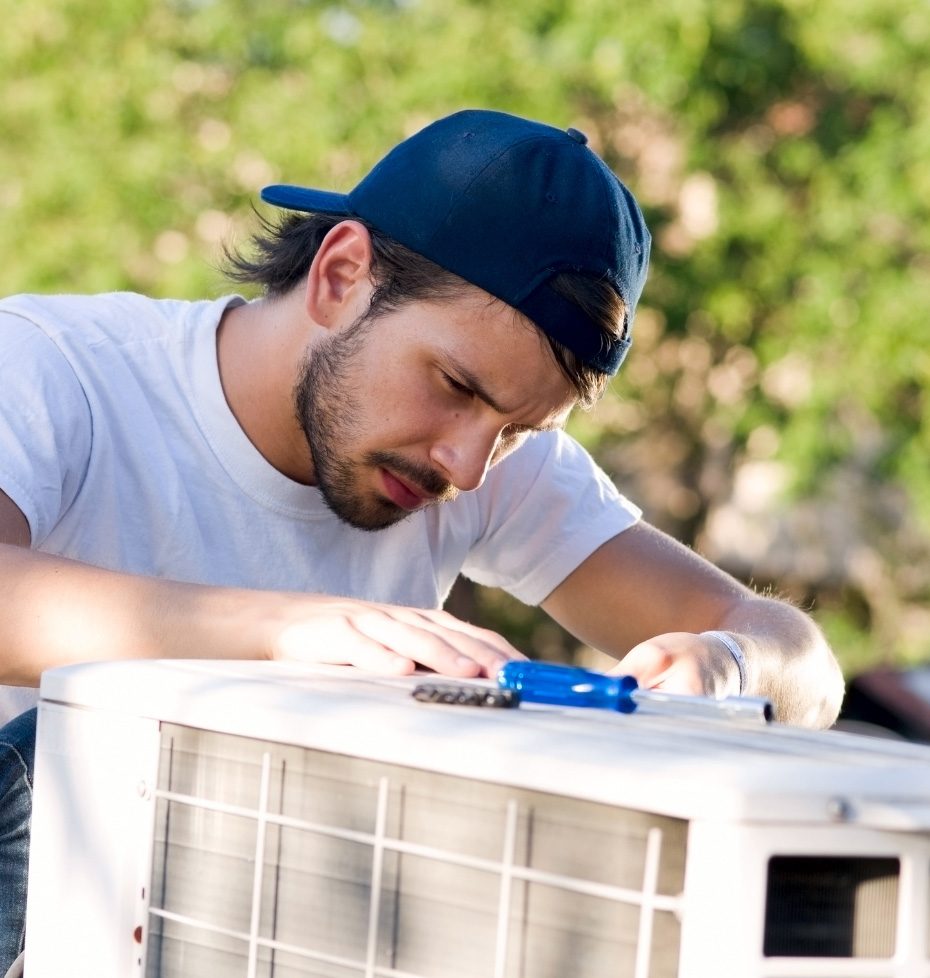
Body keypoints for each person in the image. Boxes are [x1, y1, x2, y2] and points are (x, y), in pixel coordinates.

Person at [0, 108, 844, 972]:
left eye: (517, 430)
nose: (469, 465)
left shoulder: (479, 457)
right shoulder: (53, 366)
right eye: (454, 384)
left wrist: (728, 665)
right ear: (341, 275)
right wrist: (287, 633)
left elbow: (808, 668)